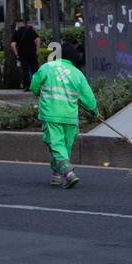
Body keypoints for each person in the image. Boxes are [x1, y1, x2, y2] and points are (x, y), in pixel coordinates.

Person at [30, 40, 99, 189]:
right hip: (70, 116)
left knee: (56, 145)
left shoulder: (47, 67)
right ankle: (56, 175)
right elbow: (89, 98)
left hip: (51, 113)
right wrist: (95, 112)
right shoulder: (78, 74)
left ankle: (67, 173)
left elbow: (34, 84)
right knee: (64, 147)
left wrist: (37, 92)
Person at [12, 19, 40, 90]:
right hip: (32, 53)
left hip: (22, 54)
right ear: (24, 24)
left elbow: (13, 45)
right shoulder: (31, 30)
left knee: (25, 70)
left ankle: (27, 86)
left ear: (18, 24)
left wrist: (17, 54)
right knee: (35, 69)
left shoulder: (16, 33)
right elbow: (37, 40)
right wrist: (37, 50)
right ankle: (37, 86)